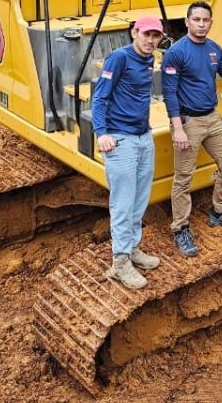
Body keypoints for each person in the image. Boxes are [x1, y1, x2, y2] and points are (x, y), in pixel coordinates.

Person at [162, 0, 222, 257]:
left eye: (206, 20)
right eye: (197, 20)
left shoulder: (214, 49)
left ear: (211, 23)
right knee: (183, 178)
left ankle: (220, 211)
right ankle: (181, 227)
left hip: (212, 118)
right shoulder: (177, 53)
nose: (201, 25)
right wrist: (178, 128)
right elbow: (169, 92)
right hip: (188, 121)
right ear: (188, 22)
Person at [91, 16, 166, 289]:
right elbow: (100, 97)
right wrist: (102, 133)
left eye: (156, 36)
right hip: (120, 140)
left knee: (139, 199)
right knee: (123, 203)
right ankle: (120, 262)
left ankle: (133, 249)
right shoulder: (118, 59)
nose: (150, 40)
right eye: (146, 34)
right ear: (134, 32)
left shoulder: (148, 60)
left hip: (143, 137)